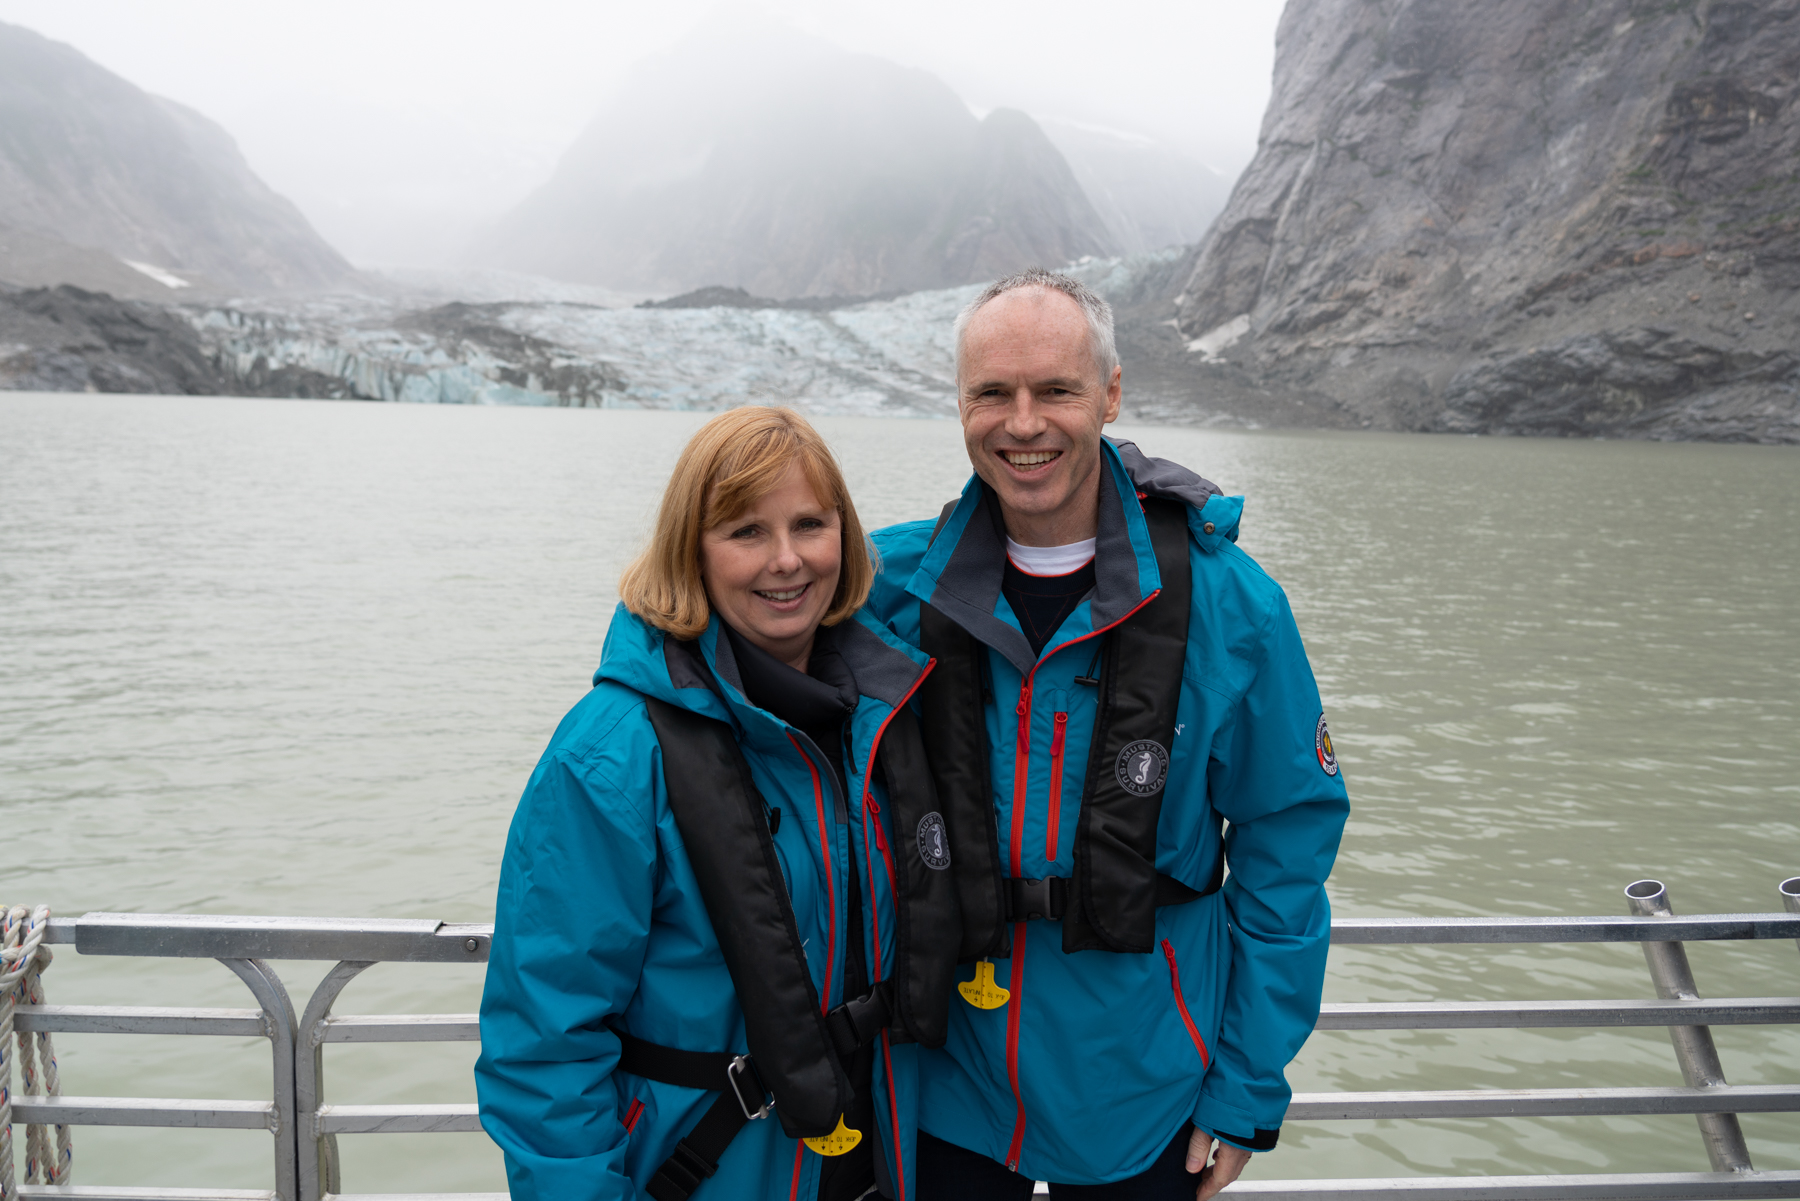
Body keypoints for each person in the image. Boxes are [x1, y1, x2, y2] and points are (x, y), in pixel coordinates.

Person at [863, 269, 1350, 1199]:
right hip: (945, 1084)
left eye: (1055, 389)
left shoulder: (1233, 606)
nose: (1023, 422)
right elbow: (712, 607)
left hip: (1147, 1092)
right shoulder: (889, 584)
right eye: (991, 393)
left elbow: (1288, 851)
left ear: (1111, 393)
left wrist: (1247, 1083)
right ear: (959, 404)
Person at [477, 406, 961, 1201]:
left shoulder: (869, 721)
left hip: (872, 1167)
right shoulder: (610, 755)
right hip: (706, 1171)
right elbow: (543, 1042)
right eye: (744, 531)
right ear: (690, 551)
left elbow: (996, 543)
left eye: (811, 523)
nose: (786, 560)